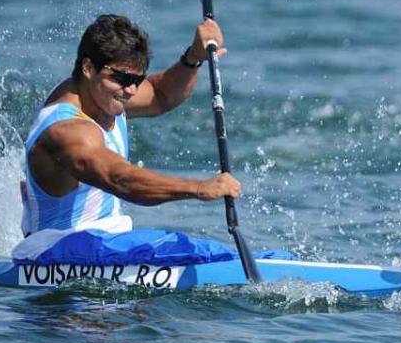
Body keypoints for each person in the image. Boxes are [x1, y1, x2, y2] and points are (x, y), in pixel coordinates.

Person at [16, 14, 240, 253]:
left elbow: (160, 94)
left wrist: (193, 58)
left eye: (138, 79)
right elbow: (119, 178)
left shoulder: (102, 93)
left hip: (104, 246)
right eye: (123, 78)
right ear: (88, 67)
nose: (132, 90)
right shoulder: (68, 131)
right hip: (55, 251)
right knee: (189, 250)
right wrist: (197, 188)